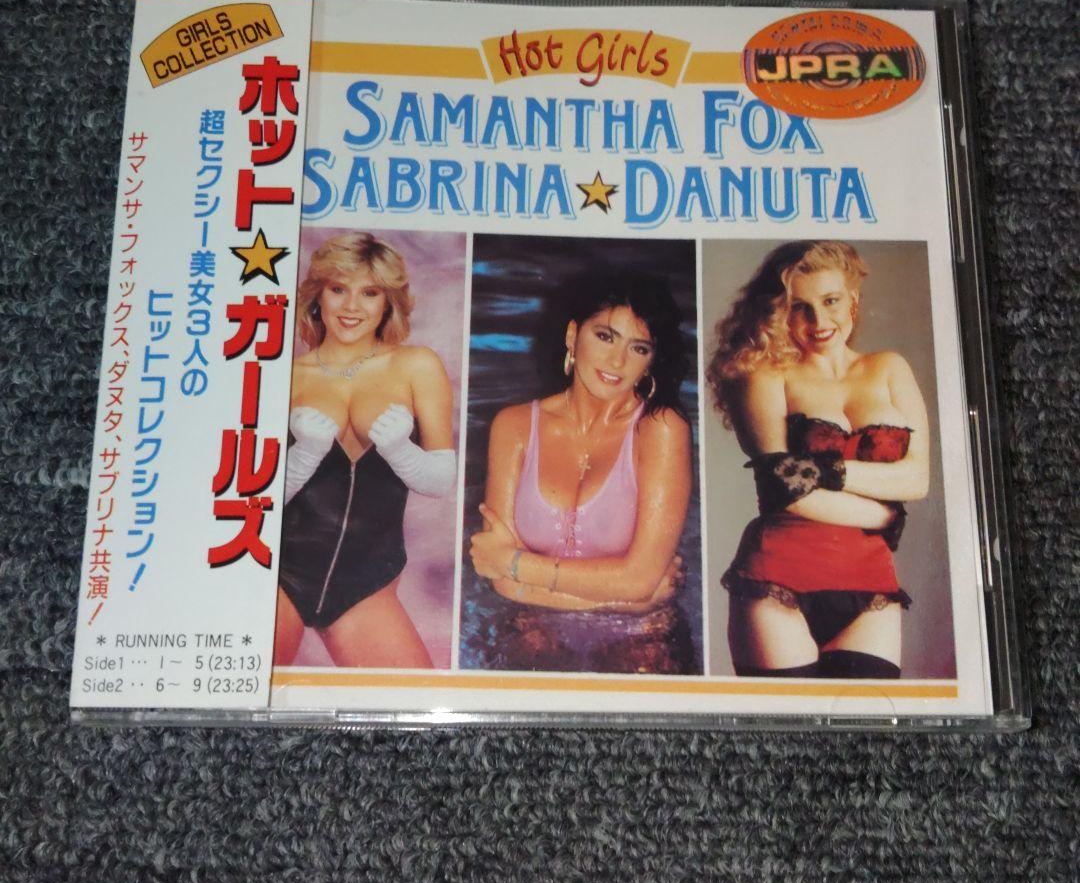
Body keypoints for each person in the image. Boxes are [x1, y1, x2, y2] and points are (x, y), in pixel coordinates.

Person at [706, 240, 930, 679]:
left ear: (853, 300)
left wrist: (827, 472)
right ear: (778, 313)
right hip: (777, 578)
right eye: (799, 307)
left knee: (867, 721)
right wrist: (884, 515)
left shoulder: (890, 368)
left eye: (830, 301)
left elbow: (917, 479)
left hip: (871, 582)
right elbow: (784, 491)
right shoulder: (764, 372)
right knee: (789, 723)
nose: (819, 321)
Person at [468, 271, 695, 674]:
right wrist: (630, 594)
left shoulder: (660, 430)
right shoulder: (514, 426)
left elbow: (638, 580)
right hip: (534, 631)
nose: (617, 361)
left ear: (651, 359)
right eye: (605, 336)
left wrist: (519, 566)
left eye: (638, 348)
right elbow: (499, 579)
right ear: (573, 336)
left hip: (640, 634)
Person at [274, 232, 456, 669]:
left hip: (365, 581)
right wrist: (303, 455)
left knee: (414, 699)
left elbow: (441, 481)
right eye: (339, 289)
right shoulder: (284, 374)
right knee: (246, 691)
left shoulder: (417, 366)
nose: (352, 307)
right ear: (318, 295)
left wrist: (398, 449)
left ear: (388, 302)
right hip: (279, 574)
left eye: (370, 293)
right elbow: (254, 500)